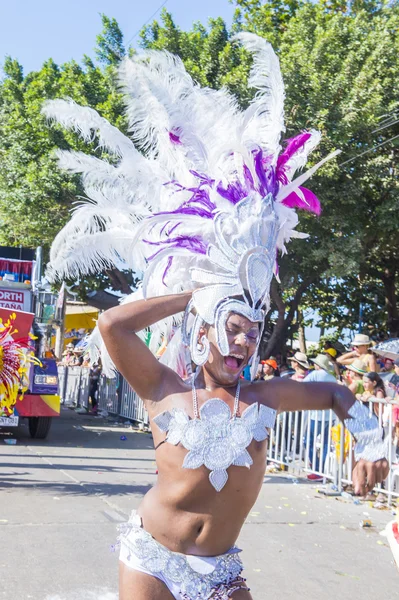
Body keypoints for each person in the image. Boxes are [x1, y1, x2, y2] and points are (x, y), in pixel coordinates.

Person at [44, 35, 390, 600]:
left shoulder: (265, 398)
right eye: (232, 329)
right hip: (151, 557)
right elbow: (113, 327)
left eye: (251, 334)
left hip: (222, 570)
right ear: (204, 332)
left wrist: (371, 442)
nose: (244, 342)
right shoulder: (161, 389)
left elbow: (335, 396)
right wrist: (195, 292)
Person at [303, 354, 337, 480]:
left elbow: (302, 386)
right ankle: (322, 470)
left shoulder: (315, 375)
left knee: (308, 441)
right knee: (325, 444)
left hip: (316, 414)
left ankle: (317, 468)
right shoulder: (332, 378)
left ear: (318, 365)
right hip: (330, 414)